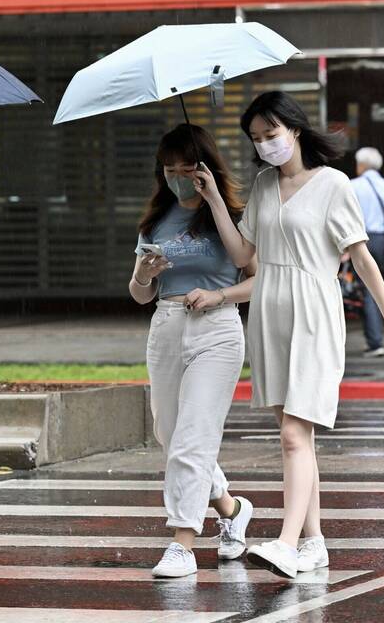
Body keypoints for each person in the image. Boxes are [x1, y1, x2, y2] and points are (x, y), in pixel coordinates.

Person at [191, 92, 384, 578]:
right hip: (269, 313)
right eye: (256, 138)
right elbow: (242, 256)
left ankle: (287, 543)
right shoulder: (265, 184)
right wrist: (212, 197)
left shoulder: (333, 184)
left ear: (293, 129)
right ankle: (314, 542)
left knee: (295, 434)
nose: (265, 145)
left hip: (314, 312)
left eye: (271, 135)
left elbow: (362, 258)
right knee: (297, 439)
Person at [129, 124, 256, 578]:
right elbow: (140, 294)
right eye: (170, 169)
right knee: (170, 434)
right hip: (165, 325)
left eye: (188, 167)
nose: (179, 176)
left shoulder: (236, 214)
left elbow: (252, 272)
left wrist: (218, 295)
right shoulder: (154, 220)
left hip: (217, 331)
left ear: (206, 167)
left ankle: (182, 541)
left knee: (192, 438)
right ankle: (231, 507)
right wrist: (145, 272)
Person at [350, 147, 384, 358]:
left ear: (361, 165)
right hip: (380, 241)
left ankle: (374, 341)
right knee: (372, 286)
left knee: (363, 290)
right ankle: (374, 339)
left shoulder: (350, 186)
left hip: (356, 239)